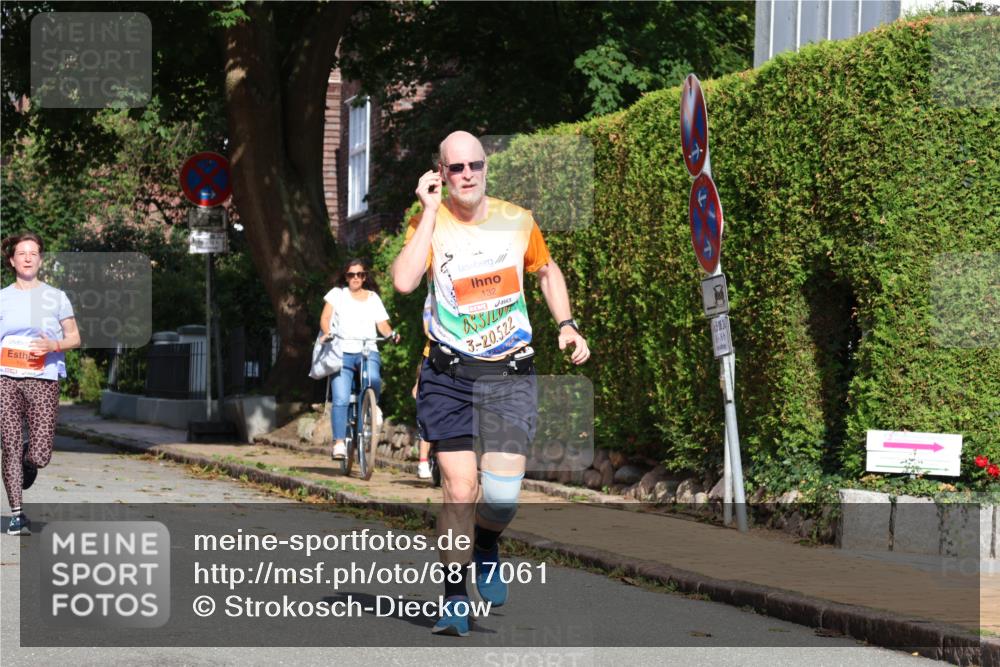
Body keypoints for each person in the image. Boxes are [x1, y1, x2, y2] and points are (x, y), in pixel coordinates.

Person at [391, 131, 590, 635]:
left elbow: (547, 272)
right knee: (460, 489)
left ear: (486, 167)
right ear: (440, 172)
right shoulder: (428, 224)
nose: (466, 176)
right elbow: (404, 281)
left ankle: (485, 544)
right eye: (455, 168)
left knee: (500, 498)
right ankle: (454, 597)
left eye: (474, 166)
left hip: (509, 375)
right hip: (448, 376)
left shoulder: (517, 221)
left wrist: (566, 324)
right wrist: (428, 212)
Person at [1, 232, 80, 535]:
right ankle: (17, 514)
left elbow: (75, 337)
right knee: (8, 445)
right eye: (22, 253)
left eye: (34, 253)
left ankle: (28, 459)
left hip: (43, 379)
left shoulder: (56, 297)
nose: (28, 258)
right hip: (6, 378)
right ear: (12, 260)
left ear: (41, 259)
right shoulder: (2, 298)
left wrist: (54, 346)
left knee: (40, 455)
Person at [319, 258, 398, 461]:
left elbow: (383, 325)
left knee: (373, 378)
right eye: (351, 274)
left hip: (367, 349)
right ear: (346, 277)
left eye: (360, 274)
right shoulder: (337, 294)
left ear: (365, 277)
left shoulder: (373, 298)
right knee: (341, 398)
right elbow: (325, 318)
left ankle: (371, 407)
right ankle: (339, 443)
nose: (356, 278)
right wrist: (327, 333)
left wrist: (391, 334)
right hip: (342, 352)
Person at [412, 361, 432, 480]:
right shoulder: (424, 370)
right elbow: (415, 392)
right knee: (425, 431)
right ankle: (423, 462)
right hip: (427, 411)